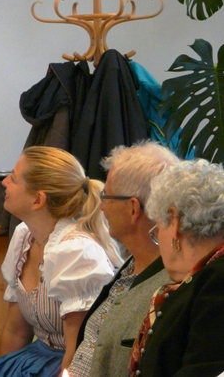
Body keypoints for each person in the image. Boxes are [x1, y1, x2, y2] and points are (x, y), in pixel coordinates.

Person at [0, 146, 121, 377]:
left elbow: (79, 351)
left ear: (38, 200)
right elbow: (16, 332)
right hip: (34, 358)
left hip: (71, 365)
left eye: (14, 178)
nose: (4, 182)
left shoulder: (76, 252)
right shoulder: (24, 237)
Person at [68, 142, 178, 377]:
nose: (102, 207)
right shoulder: (132, 265)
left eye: (106, 197)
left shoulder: (169, 287)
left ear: (132, 208)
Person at [129, 159, 224, 377]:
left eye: (157, 229)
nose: (158, 241)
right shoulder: (206, 277)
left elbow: (203, 370)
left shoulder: (217, 281)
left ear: (174, 222)